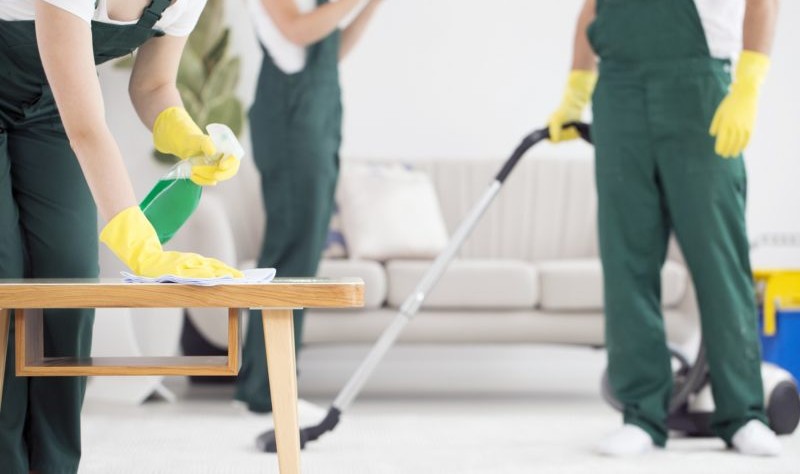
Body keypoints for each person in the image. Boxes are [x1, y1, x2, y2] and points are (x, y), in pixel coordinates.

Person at [0, 1, 242, 471]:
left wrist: (190, 137)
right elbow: (87, 129)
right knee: (5, 283)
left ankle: (54, 465)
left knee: (68, 285)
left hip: (51, 105)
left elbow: (153, 84)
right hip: (67, 112)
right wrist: (141, 247)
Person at [548, 0, 781, 457]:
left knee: (719, 259)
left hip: (698, 90)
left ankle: (744, 414)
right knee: (626, 259)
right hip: (618, 92)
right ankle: (641, 414)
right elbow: (592, 10)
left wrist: (748, 85)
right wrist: (576, 90)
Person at [236, 0, 383, 413]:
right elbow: (297, 32)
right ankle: (269, 390)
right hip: (291, 121)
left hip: (317, 119)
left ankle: (260, 385)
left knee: (298, 254)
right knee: (290, 254)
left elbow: (329, 50)